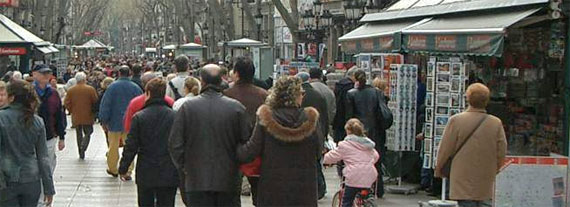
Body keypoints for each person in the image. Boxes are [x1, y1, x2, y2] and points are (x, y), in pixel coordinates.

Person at [169, 64, 249, 206]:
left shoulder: (188, 108)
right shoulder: (236, 108)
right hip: (228, 179)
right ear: (221, 81)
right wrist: (236, 165)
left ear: (202, 81)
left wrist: (186, 166)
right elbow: (246, 142)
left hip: (196, 180)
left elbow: (175, 144)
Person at [237, 76, 322, 206]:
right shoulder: (310, 119)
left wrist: (234, 149)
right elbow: (318, 151)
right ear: (295, 96)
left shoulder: (266, 118)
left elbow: (251, 150)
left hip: (273, 187)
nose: (303, 96)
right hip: (304, 188)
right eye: (301, 93)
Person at [435, 83, 507, 207]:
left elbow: (445, 149)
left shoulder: (456, 120)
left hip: (462, 176)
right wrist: (495, 169)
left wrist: (439, 169)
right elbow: (501, 151)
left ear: (468, 98)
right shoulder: (495, 123)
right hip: (486, 176)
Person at [119, 78, 179, 207]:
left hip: (146, 170)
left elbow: (131, 146)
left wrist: (124, 167)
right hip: (169, 169)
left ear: (148, 93)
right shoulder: (175, 117)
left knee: (145, 202)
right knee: (167, 202)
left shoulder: (140, 117)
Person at [0, 80, 55, 207]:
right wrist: (48, 188)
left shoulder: (1, 118)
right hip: (31, 179)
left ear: (12, 97)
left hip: (6, 180)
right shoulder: (37, 121)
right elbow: (43, 157)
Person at [223, 57, 268, 206]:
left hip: (232, 149)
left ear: (236, 74)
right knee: (259, 190)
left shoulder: (226, 94)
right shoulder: (263, 95)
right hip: (258, 150)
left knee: (232, 192)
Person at [346, 69, 390, 198]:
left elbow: (349, 116)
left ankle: (359, 189)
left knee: (358, 162)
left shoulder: (351, 94)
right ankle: (378, 188)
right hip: (376, 132)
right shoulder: (376, 93)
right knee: (376, 161)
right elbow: (381, 113)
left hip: (358, 132)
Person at [99, 65, 143, 179]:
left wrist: (103, 120)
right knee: (129, 146)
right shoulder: (135, 87)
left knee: (113, 146)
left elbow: (106, 104)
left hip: (114, 121)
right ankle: (128, 170)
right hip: (131, 121)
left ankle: (113, 168)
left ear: (119, 74)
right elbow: (140, 104)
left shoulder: (112, 87)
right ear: (129, 73)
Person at [323, 118, 379, 207]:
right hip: (369, 175)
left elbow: (332, 156)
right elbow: (376, 156)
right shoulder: (369, 145)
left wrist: (326, 160)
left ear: (348, 131)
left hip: (354, 176)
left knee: (347, 201)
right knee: (367, 194)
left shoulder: (345, 145)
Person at [296, 71, 329, 199]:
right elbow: (325, 116)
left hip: (302, 133)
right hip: (317, 131)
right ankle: (320, 187)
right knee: (316, 163)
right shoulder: (319, 95)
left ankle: (319, 187)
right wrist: (325, 134)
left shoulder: (298, 96)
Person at [32, 64, 66, 172]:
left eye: (48, 73)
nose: (46, 76)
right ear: (34, 74)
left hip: (49, 135)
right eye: (43, 73)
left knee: (49, 164)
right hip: (32, 136)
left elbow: (59, 115)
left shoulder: (53, 93)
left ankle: (47, 186)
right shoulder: (29, 92)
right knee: (34, 165)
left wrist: (61, 137)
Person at [64, 72, 99, 159]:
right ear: (84, 79)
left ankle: (80, 151)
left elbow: (66, 102)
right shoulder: (90, 89)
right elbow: (95, 101)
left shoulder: (71, 90)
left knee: (78, 133)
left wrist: (71, 110)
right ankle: (84, 145)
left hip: (76, 115)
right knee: (88, 132)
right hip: (88, 114)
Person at [333, 67, 357, 143]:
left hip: (338, 119)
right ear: (353, 75)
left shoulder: (339, 84)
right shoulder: (350, 87)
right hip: (346, 120)